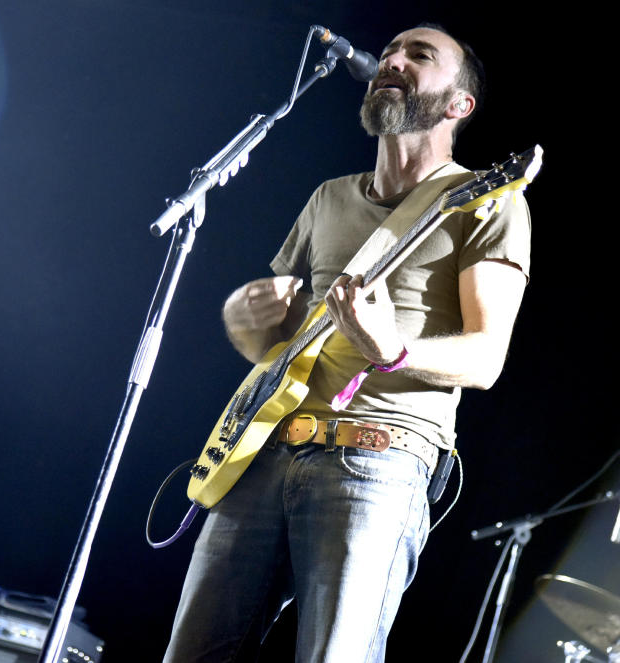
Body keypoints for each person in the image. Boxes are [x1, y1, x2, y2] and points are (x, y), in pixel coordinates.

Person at [163, 24, 531, 663]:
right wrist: (240, 319)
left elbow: (487, 357)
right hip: (262, 452)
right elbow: (277, 344)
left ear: (457, 104)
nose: (392, 59)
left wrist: (394, 348)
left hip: (378, 461)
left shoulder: (487, 201)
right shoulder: (327, 198)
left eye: (420, 55)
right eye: (390, 51)